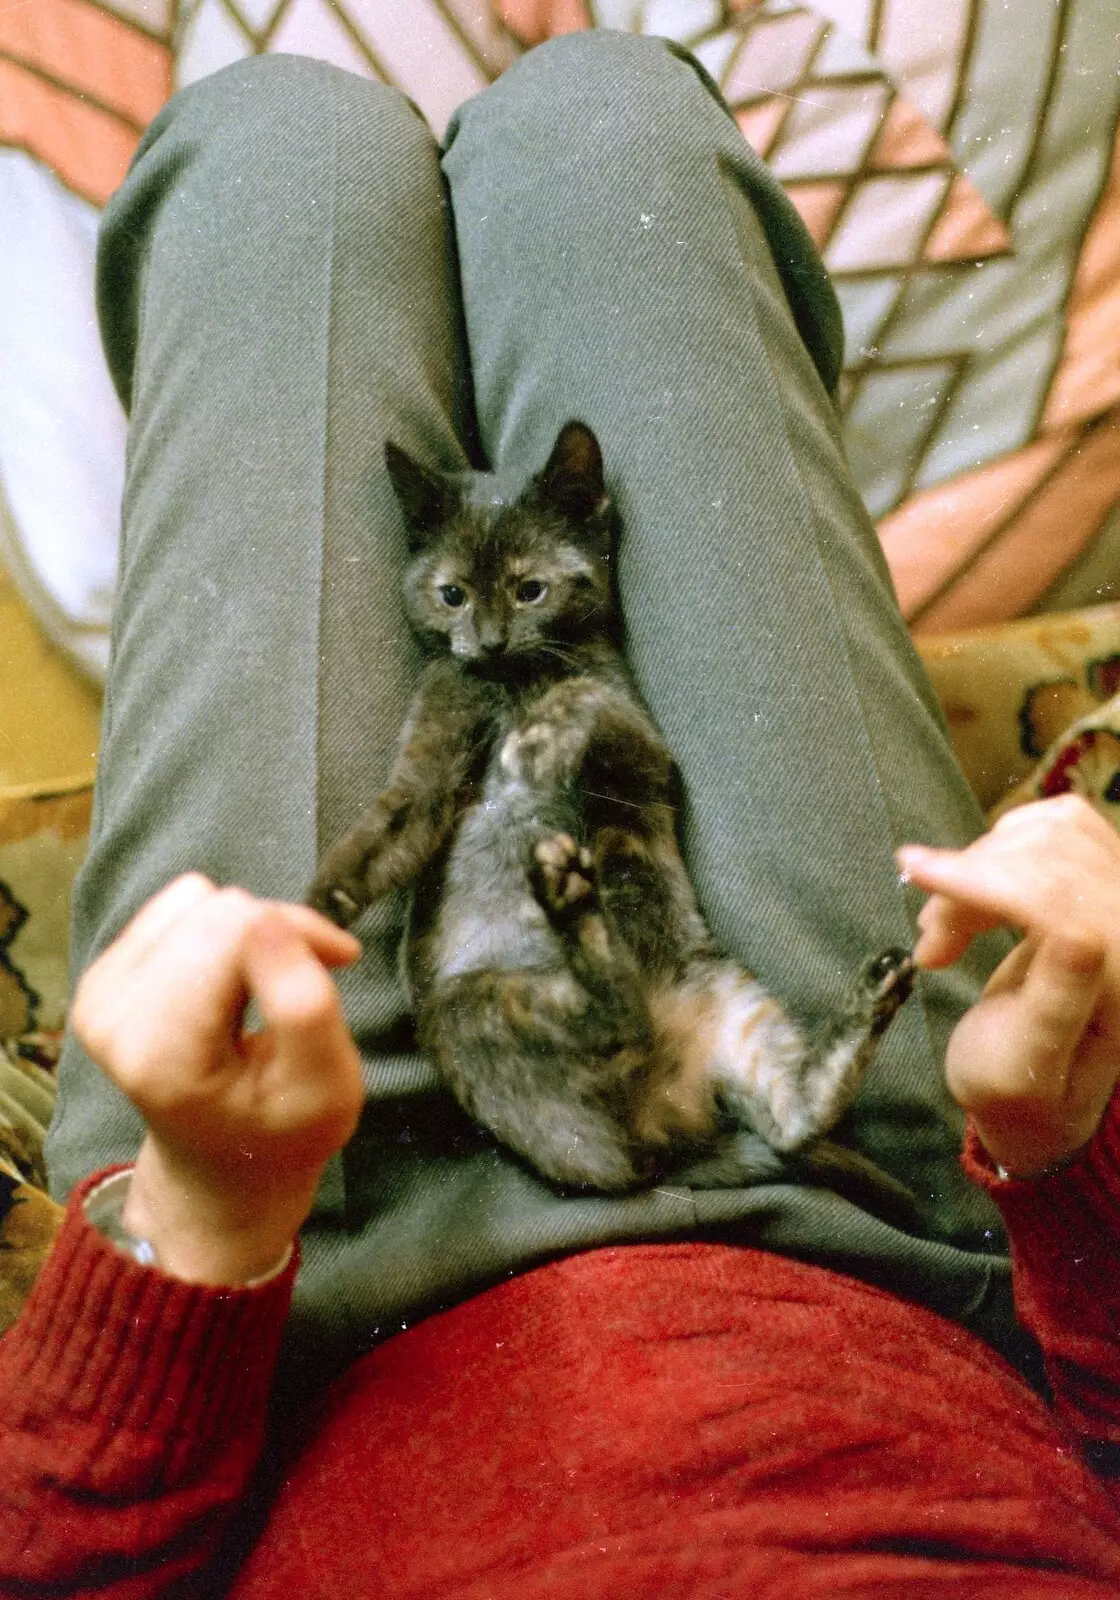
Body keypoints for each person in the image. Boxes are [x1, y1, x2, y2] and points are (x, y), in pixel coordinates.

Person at [0, 30, 1118, 1596]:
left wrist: (198, 1220)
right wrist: (1067, 1149)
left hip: (300, 1265)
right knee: (608, 119)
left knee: (266, 154)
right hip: (881, 1195)